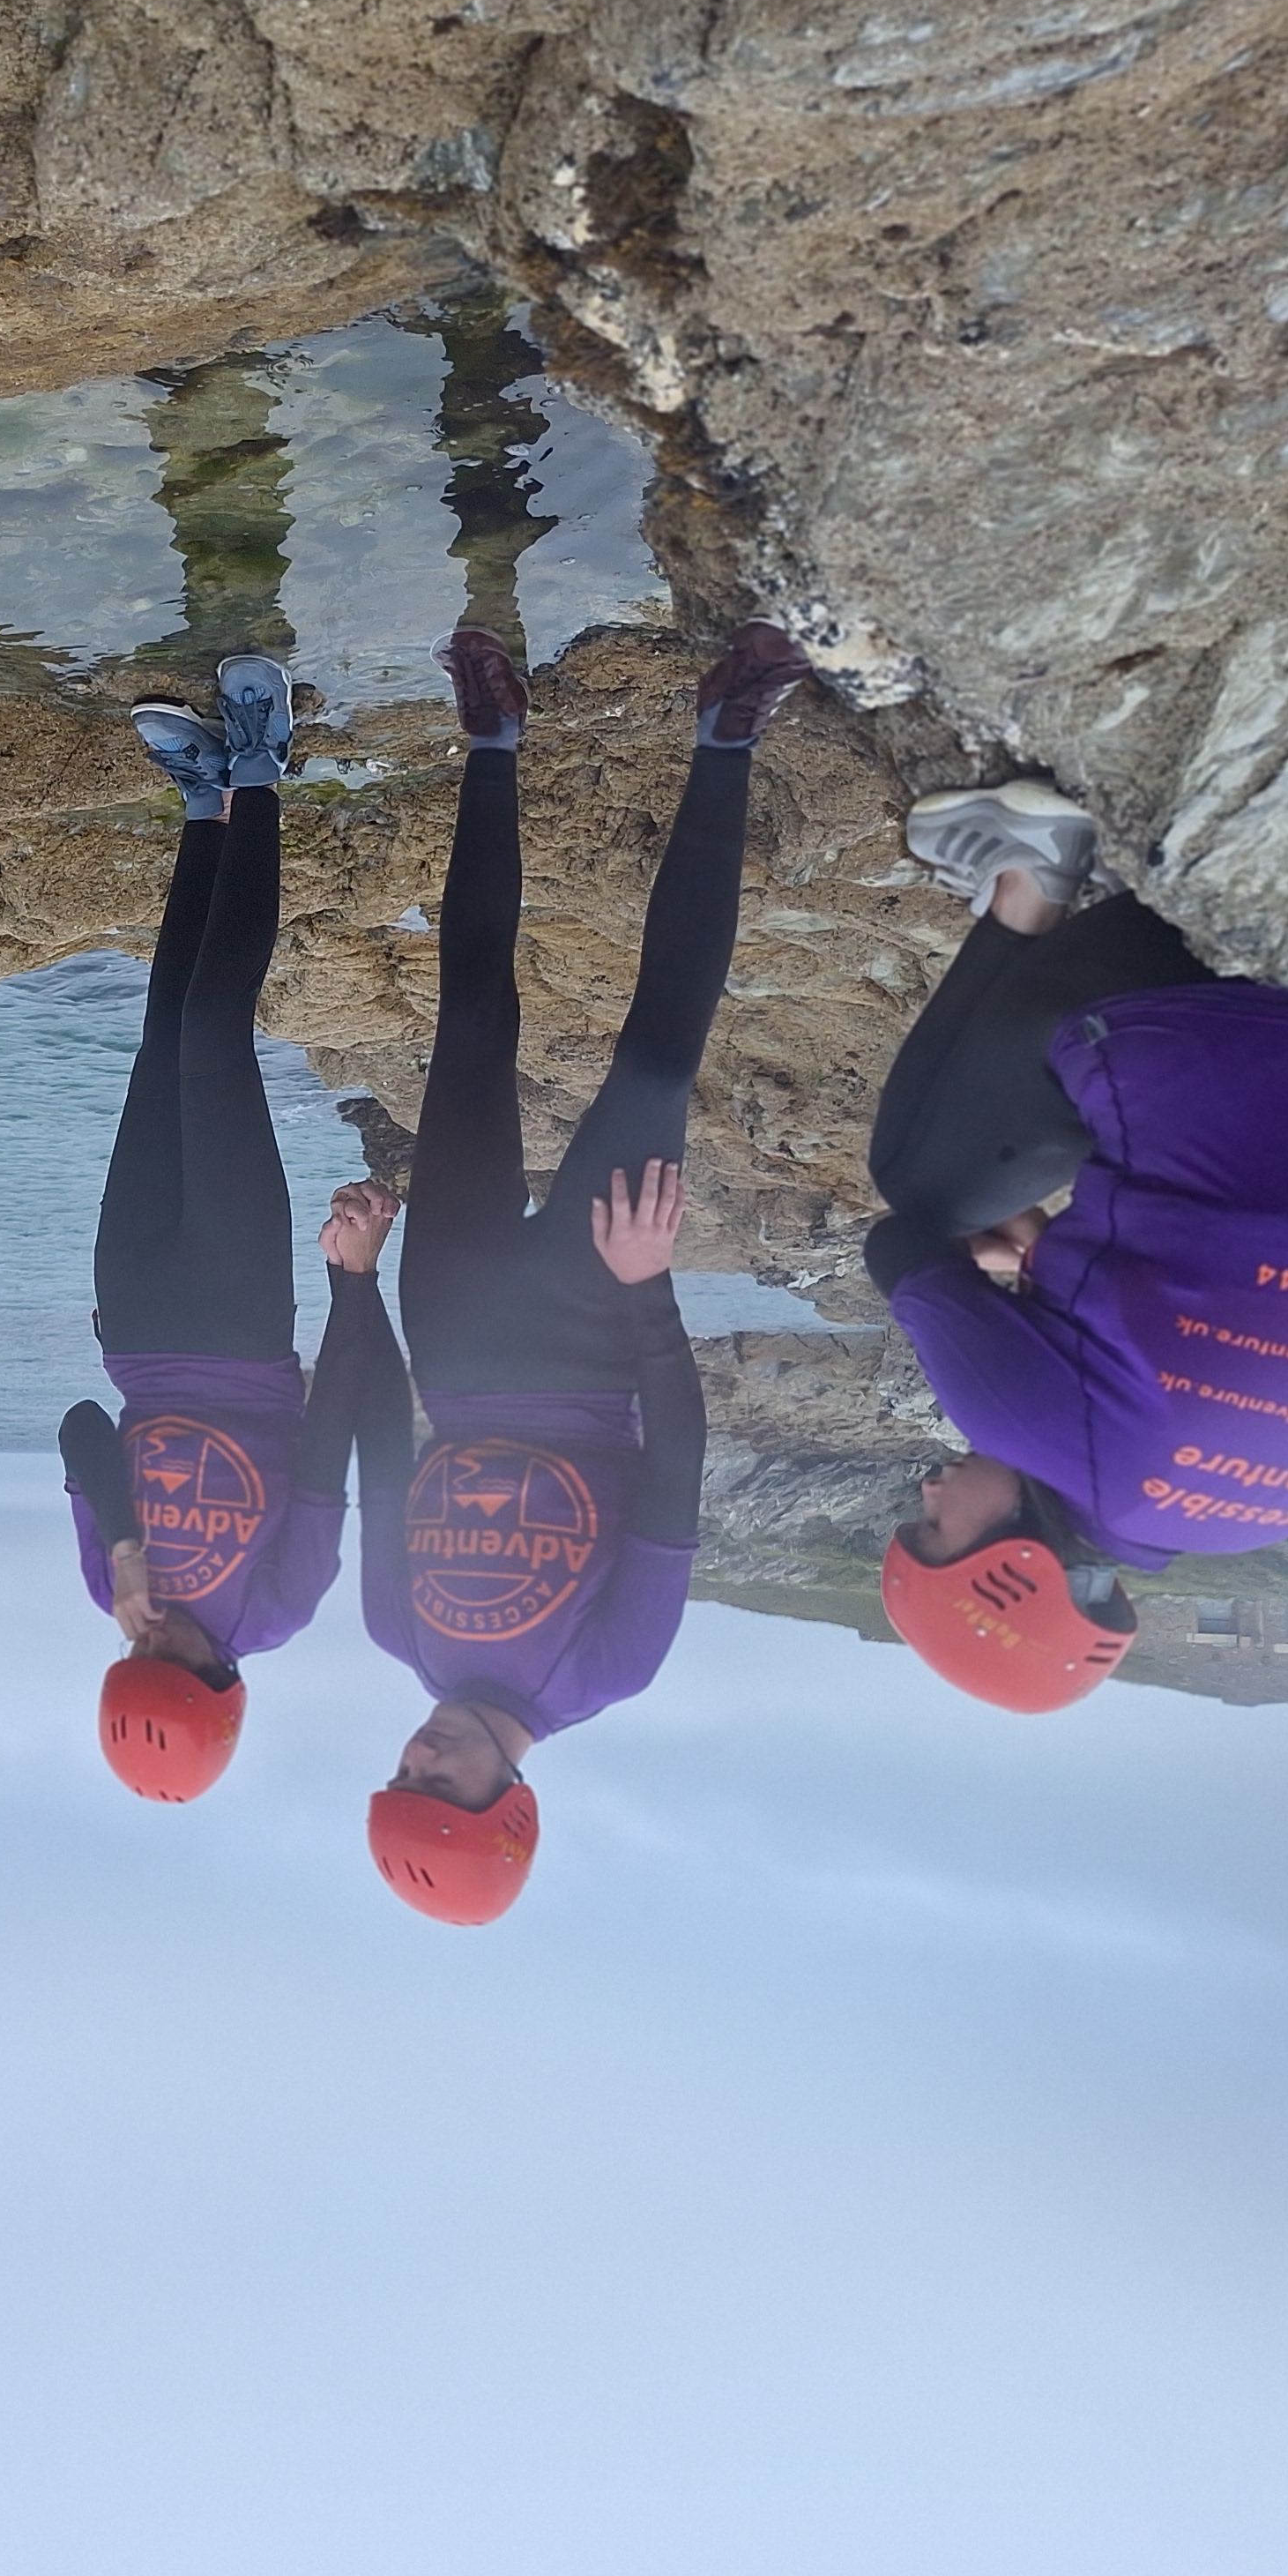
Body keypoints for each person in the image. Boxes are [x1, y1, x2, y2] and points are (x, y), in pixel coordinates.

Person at [319, 622, 814, 1923]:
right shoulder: (611, 1670)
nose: (423, 1755)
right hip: (600, 1322)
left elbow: (379, 1441)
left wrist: (355, 1288)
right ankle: (727, 733)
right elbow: (677, 1462)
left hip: (454, 1320)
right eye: (447, 1784)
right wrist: (648, 1286)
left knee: (470, 1029)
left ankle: (491, 738)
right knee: (657, 1058)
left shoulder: (394, 1634)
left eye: (402, 1773)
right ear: (509, 1803)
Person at [867, 785, 1288, 1709]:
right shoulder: (1019, 1429)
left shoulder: (1259, 1520)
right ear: (1012, 1567)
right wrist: (978, 1257)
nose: (930, 1492)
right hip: (1209, 999)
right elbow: (899, 1249)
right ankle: (1029, 869)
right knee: (918, 1185)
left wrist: (1038, 1258)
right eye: (933, 1529)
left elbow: (1221, 1331)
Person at [58, 654, 369, 1803]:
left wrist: (130, 1546)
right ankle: (259, 770)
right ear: (220, 1684)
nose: (149, 1639)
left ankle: (201, 806)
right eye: (169, 1662)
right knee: (215, 1037)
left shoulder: (116, 1593)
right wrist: (351, 1290)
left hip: (133, 1319)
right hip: (243, 1322)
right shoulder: (276, 1605)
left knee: (161, 1036)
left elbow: (86, 1428)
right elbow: (332, 1436)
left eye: (133, 1660)